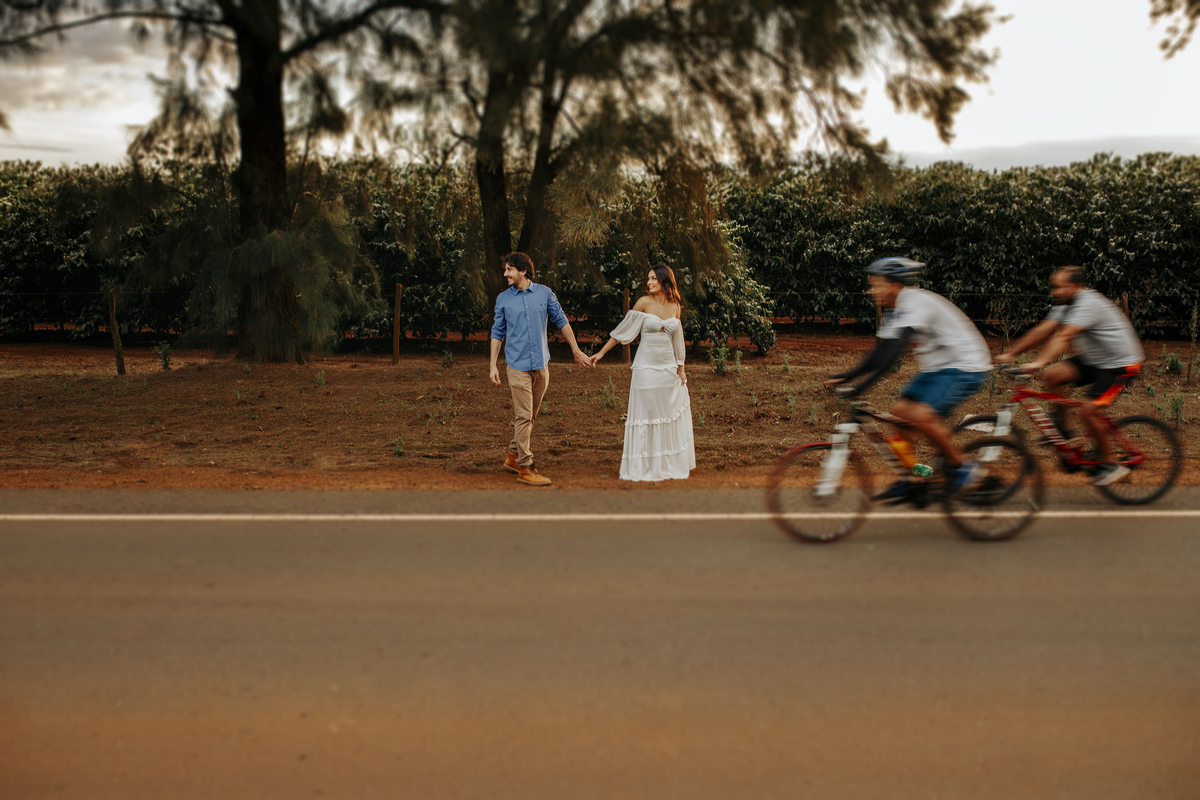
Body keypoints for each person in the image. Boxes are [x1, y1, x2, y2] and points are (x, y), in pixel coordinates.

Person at [826, 257, 992, 501]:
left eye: (877, 285)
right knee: (900, 414)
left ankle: (964, 467)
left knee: (920, 416)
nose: (872, 290)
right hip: (937, 369)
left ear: (895, 285)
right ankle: (911, 478)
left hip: (965, 366)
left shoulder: (915, 302)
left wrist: (861, 386)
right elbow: (880, 353)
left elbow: (894, 353)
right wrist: (847, 376)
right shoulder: (894, 311)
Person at [994, 265, 1144, 486]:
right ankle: (1063, 431)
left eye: (1059, 287)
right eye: (1053, 287)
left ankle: (1111, 464)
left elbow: (1064, 336)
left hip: (1121, 364)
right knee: (1052, 375)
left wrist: (1038, 362)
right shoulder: (1066, 304)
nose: (1054, 292)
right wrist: (1010, 353)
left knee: (1087, 411)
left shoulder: (1088, 303)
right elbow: (1044, 329)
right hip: (1096, 360)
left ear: (1077, 286)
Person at [489, 251, 592, 486]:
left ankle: (512, 455)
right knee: (524, 416)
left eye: (509, 269)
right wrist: (493, 365)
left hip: (541, 365)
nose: (505, 274)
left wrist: (576, 350)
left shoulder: (545, 294)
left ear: (523, 271)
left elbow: (562, 321)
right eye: (505, 269)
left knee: (530, 416)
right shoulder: (503, 299)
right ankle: (525, 467)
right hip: (517, 366)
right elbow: (497, 332)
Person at [590, 265, 696, 481]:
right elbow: (622, 331)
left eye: (654, 278)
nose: (649, 282)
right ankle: (643, 465)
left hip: (668, 368)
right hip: (645, 367)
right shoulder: (643, 303)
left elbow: (678, 340)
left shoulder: (675, 306)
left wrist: (681, 368)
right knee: (647, 415)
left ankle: (664, 464)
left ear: (665, 280)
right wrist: (601, 353)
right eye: (648, 278)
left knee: (665, 414)